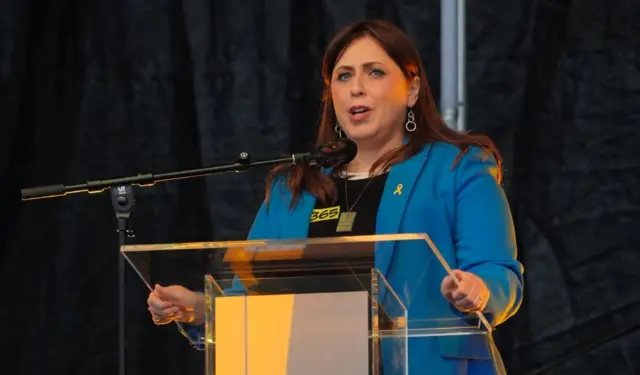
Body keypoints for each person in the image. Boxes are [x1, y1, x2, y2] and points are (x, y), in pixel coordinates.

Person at [147, 19, 524, 375]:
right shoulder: (292, 189)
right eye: (344, 76)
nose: (356, 87)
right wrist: (197, 309)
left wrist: (479, 290)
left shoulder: (457, 167)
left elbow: (499, 271)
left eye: (375, 72)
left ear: (411, 89)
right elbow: (251, 299)